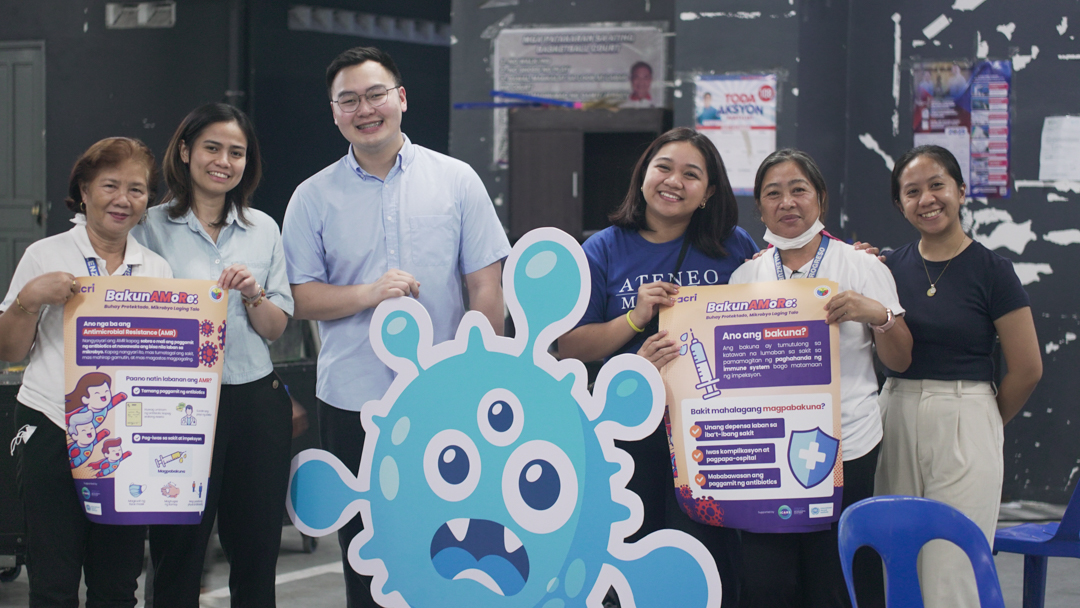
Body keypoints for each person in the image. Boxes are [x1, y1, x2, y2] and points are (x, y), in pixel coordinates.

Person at [281, 46, 510, 607]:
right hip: (352, 397)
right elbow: (299, 297)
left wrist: (474, 376)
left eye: (375, 94)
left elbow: (486, 287)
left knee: (455, 544)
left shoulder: (456, 180)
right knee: (366, 552)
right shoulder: (311, 197)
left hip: (446, 398)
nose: (365, 109)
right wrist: (370, 292)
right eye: (349, 100)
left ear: (401, 98)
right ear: (334, 113)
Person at [558, 127, 758, 607]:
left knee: (709, 555)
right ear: (643, 175)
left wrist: (850, 259)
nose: (673, 181)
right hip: (632, 430)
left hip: (713, 431)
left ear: (708, 193)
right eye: (664, 168)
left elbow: (777, 306)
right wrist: (633, 321)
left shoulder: (734, 246)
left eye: (691, 174)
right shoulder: (603, 248)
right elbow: (569, 346)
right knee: (635, 550)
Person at [728, 148, 912, 608]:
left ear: (820, 199)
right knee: (768, 582)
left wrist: (879, 315)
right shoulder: (745, 276)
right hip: (769, 451)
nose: (787, 202)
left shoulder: (862, 266)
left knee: (839, 580)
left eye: (799, 190)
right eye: (773, 193)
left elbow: (901, 361)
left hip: (848, 444)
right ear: (760, 208)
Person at [1, 137, 172, 606]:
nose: (123, 200)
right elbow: (8, 349)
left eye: (137, 189)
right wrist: (29, 299)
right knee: (52, 583)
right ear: (84, 190)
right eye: (110, 185)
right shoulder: (45, 255)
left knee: (117, 584)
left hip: (123, 438)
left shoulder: (156, 269)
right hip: (50, 423)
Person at [138, 102, 295, 607]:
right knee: (177, 552)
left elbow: (275, 328)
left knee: (255, 551)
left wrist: (252, 293)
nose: (224, 162)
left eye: (236, 152)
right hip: (176, 405)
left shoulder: (264, 229)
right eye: (212, 148)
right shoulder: (148, 226)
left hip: (253, 401)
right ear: (185, 151)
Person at [874, 145, 1041, 608]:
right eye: (912, 192)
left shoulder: (993, 271)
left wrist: (981, 421)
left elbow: (1028, 368)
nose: (927, 199)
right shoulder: (887, 268)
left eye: (937, 185)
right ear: (900, 205)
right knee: (897, 563)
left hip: (967, 413)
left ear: (961, 191)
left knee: (953, 570)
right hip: (894, 412)